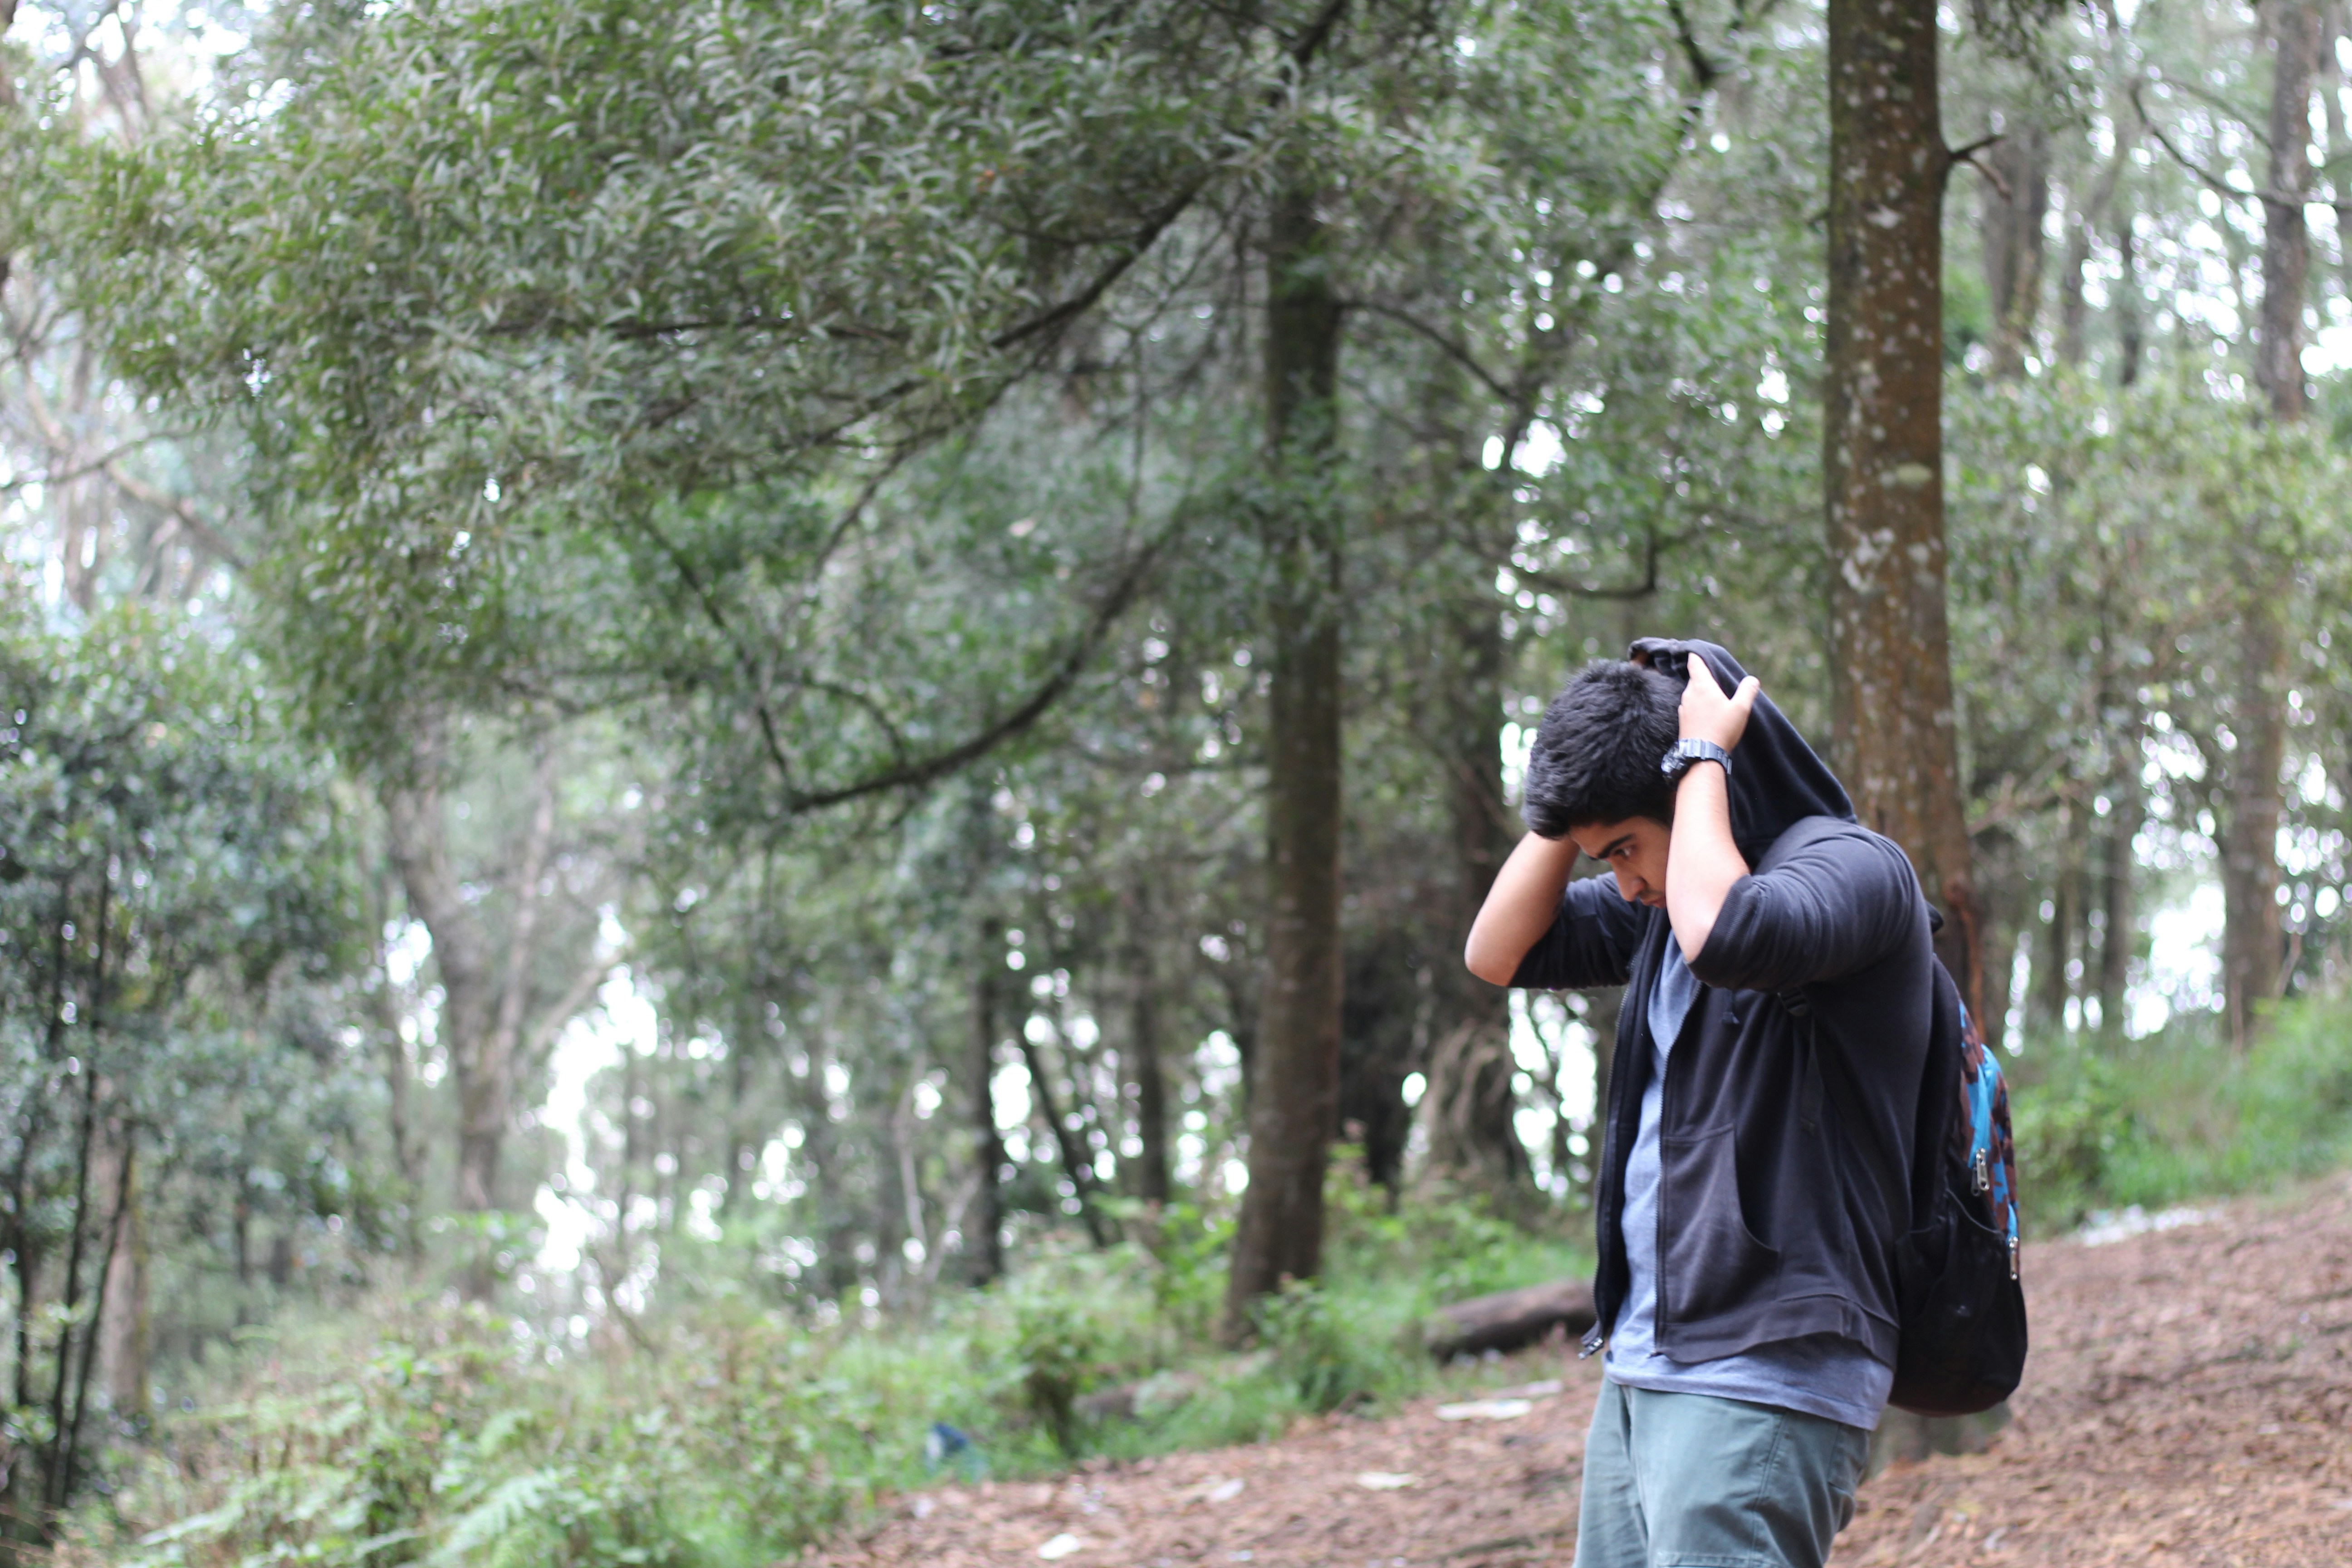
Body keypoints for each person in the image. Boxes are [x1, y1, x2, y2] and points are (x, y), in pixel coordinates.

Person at [1464, 638, 1936, 1568]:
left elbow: (1729, 931)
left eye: (1627, 849)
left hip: (1770, 1363)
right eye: (1606, 858)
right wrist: (1572, 805)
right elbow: (1497, 953)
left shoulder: (1850, 869)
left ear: (1694, 788)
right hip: (1647, 1365)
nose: (1626, 881)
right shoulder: (1657, 917)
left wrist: (1702, 759)